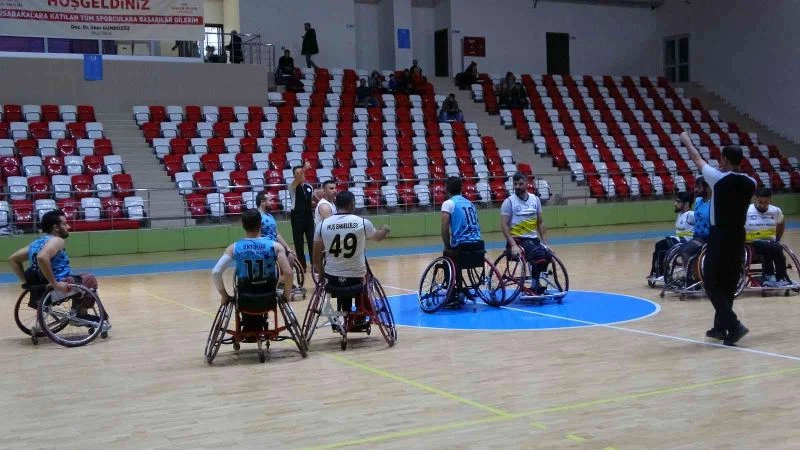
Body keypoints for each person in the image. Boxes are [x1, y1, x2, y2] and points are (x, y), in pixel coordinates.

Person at [681, 131, 756, 346]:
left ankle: (733, 325)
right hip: (738, 235)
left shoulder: (718, 178)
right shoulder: (751, 182)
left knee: (711, 281)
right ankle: (721, 328)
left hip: (720, 235)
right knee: (728, 282)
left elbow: (697, 159)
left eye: (721, 159)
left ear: (724, 159)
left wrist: (687, 140)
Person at [7, 210, 110, 329]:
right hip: (56, 288)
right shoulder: (57, 240)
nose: (68, 226)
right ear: (56, 227)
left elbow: (13, 259)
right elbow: (42, 257)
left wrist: (28, 283)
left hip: (39, 292)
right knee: (90, 279)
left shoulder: (36, 243)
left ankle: (80, 313)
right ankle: (80, 316)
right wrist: (55, 284)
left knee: (80, 279)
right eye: (65, 224)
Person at [211, 210, 293, 332]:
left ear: (243, 226)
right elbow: (289, 273)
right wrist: (286, 294)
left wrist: (224, 296)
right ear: (261, 224)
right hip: (269, 297)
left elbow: (216, 271)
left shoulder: (234, 247)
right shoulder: (275, 246)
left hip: (244, 299)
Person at [313, 191, 390, 320]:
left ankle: (345, 316)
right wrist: (385, 229)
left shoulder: (322, 226)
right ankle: (362, 314)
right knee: (367, 277)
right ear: (352, 204)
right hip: (356, 278)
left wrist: (321, 273)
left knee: (339, 281)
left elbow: (315, 257)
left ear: (336, 205)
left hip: (332, 279)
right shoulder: (362, 222)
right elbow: (377, 237)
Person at [501, 172, 550, 294]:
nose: (517, 186)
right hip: (518, 240)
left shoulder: (535, 199)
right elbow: (504, 226)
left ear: (527, 184)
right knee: (538, 254)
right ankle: (535, 284)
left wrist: (545, 243)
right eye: (515, 184)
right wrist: (513, 245)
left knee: (547, 254)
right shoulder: (509, 202)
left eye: (520, 183)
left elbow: (540, 223)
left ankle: (536, 280)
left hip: (533, 240)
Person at [441, 176, 484, 304]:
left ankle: (452, 293)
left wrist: (447, 246)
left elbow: (444, 230)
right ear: (461, 189)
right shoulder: (469, 203)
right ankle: (461, 288)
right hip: (478, 245)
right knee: (457, 256)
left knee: (447, 256)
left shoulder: (448, 203)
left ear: (447, 189)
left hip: (461, 245)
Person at [745, 187, 789, 287]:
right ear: (755, 199)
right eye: (760, 202)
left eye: (766, 202)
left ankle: (778, 277)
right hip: (752, 244)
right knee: (775, 248)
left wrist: (777, 239)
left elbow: (781, 223)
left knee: (775, 248)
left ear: (770, 200)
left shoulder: (776, 211)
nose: (763, 205)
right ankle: (775, 275)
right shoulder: (747, 210)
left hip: (770, 243)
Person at [648, 191, 695, 280]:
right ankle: (656, 271)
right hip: (680, 240)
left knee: (661, 245)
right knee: (658, 248)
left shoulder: (691, 215)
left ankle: (662, 272)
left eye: (678, 201)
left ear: (687, 203)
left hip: (687, 241)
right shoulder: (680, 214)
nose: (675, 204)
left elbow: (701, 223)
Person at [677, 176, 711, 270]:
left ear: (707, 188)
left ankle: (691, 276)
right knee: (681, 247)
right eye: (695, 187)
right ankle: (692, 273)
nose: (696, 190)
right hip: (697, 237)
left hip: (708, 238)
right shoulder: (698, 201)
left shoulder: (713, 204)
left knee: (685, 250)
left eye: (699, 187)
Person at [289, 164, 315, 272]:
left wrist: (314, 203)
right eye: (297, 173)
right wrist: (305, 168)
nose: (300, 174)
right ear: (295, 176)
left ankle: (315, 266)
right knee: (299, 243)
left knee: (312, 241)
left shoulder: (309, 187)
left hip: (308, 216)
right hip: (297, 216)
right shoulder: (292, 186)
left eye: (302, 172)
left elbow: (311, 202)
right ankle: (302, 267)